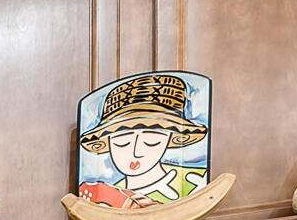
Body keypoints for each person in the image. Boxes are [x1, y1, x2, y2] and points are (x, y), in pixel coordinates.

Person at [75, 73, 209, 209]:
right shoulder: (103, 198)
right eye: (122, 143)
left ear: (170, 139)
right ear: (108, 142)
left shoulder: (197, 182)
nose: (136, 152)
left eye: (151, 141)